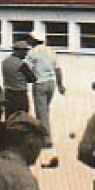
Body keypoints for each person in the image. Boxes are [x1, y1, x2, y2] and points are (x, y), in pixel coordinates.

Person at [27, 37, 65, 168]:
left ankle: (46, 140)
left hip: (40, 83)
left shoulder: (32, 52)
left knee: (41, 112)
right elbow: (58, 70)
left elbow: (27, 68)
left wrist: (31, 80)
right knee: (46, 110)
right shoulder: (51, 51)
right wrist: (60, 85)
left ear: (33, 40)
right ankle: (45, 135)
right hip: (51, 83)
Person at [0, 39, 38, 117]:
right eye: (25, 51)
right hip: (20, 94)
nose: (26, 53)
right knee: (22, 118)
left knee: (9, 117)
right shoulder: (21, 64)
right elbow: (32, 79)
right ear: (19, 51)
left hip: (8, 93)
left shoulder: (5, 61)